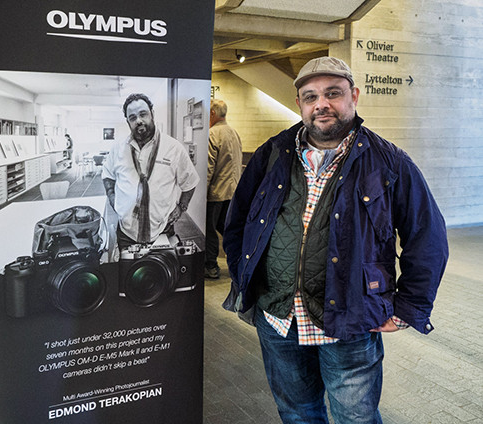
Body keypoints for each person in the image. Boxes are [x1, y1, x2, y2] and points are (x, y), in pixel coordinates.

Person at [222, 56, 448, 423]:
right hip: (278, 318)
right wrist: (245, 279)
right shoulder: (274, 153)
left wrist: (409, 309)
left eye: (333, 93)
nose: (321, 104)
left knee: (354, 419)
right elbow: (238, 225)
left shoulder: (388, 161)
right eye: (310, 96)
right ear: (300, 104)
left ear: (354, 97)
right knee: (297, 413)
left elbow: (428, 238)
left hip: (351, 320)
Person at [102, 93, 199, 249]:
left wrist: (181, 207)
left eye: (143, 114)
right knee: (128, 272)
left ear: (152, 114)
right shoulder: (118, 149)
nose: (138, 120)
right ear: (128, 122)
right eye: (132, 117)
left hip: (162, 230)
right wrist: (112, 198)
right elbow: (107, 175)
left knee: (162, 272)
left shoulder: (173, 148)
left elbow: (190, 181)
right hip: (127, 231)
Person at [205, 99, 242, 279]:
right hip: (232, 191)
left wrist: (200, 194)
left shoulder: (212, 134)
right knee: (228, 229)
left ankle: (210, 266)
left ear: (212, 113)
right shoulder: (234, 133)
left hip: (215, 193)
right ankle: (238, 261)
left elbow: (208, 167)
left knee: (209, 230)